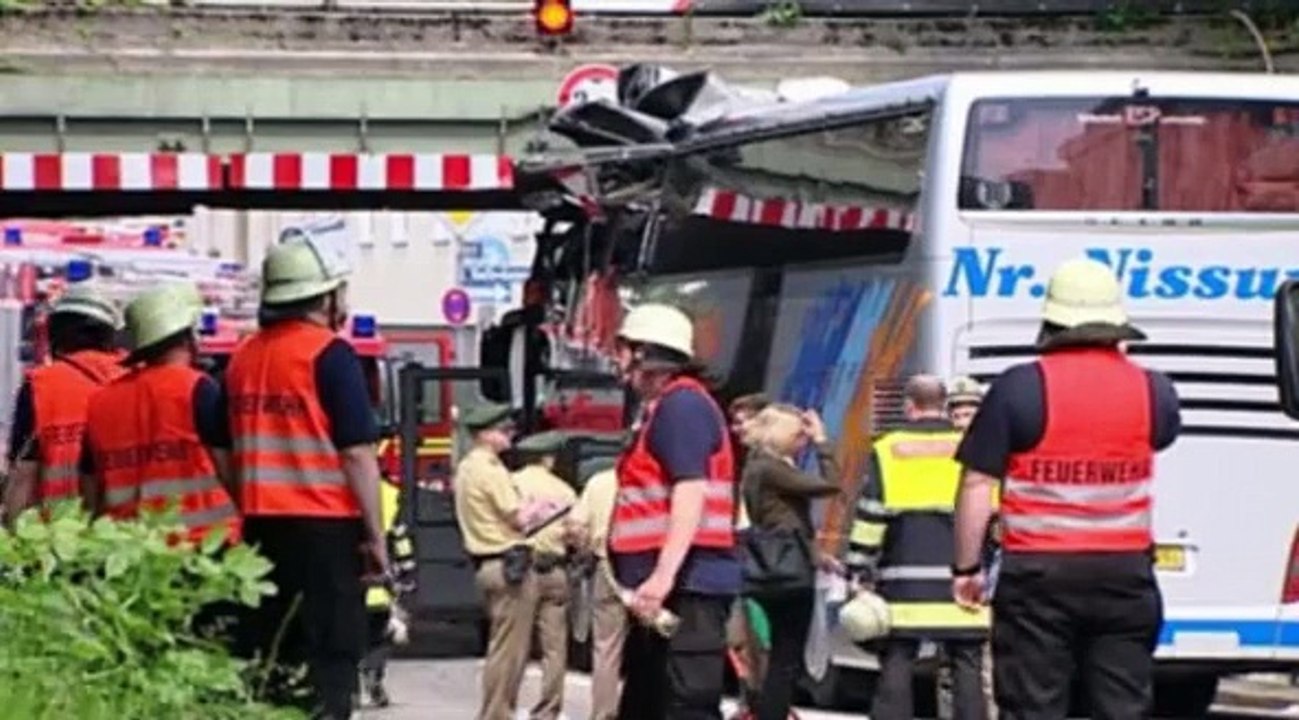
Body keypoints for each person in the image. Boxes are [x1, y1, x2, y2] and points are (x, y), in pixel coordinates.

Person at [951, 257, 1181, 720]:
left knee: (1034, 705)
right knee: (1122, 706)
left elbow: (977, 483)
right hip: (1125, 574)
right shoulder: (1153, 390)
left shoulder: (1021, 388)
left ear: (1051, 323)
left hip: (1039, 576)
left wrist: (967, 567)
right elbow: (1161, 436)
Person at [225, 234, 388, 720]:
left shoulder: (242, 359)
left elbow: (225, 452)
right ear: (324, 297)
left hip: (258, 533)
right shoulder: (329, 355)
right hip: (324, 536)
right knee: (329, 667)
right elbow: (357, 454)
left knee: (271, 664)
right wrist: (376, 536)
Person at [609, 302, 739, 720]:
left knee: (685, 701)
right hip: (671, 585)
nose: (617, 359)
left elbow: (690, 490)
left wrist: (662, 576)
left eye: (623, 348)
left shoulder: (681, 407)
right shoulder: (662, 409)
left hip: (687, 584)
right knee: (648, 701)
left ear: (646, 353)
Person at [845, 374, 988, 720]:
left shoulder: (889, 448)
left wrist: (858, 567)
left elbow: (871, 516)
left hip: (903, 581)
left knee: (898, 658)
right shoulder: (975, 446)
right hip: (963, 580)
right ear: (945, 405)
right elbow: (992, 510)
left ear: (909, 406)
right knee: (966, 663)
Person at [82, 282, 239, 545]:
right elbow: (228, 468)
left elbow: (90, 487)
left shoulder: (100, 401)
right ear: (189, 336)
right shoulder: (197, 389)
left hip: (127, 545)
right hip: (202, 544)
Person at [453, 402, 559, 720]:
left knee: (502, 646)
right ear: (486, 435)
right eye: (504, 430)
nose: (510, 434)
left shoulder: (467, 468)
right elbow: (517, 518)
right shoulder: (489, 469)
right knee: (510, 652)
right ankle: (497, 713)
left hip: (489, 564)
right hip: (507, 564)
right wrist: (543, 508)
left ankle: (495, 711)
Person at [741, 403, 840, 720]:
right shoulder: (773, 468)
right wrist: (823, 442)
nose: (804, 441)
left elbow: (790, 519)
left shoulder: (755, 466)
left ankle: (764, 709)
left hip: (766, 564)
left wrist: (818, 556)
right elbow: (829, 484)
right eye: (800, 435)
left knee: (772, 655)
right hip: (788, 570)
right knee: (786, 656)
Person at [5, 282, 125, 522]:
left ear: (55, 332)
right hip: (131, 536)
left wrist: (14, 546)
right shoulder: (137, 378)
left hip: (59, 538)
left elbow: (23, 478)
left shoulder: (41, 386)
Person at [512, 430, 579, 720]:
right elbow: (576, 533)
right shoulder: (565, 491)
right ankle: (549, 709)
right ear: (548, 459)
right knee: (554, 647)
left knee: (516, 642)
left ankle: (507, 704)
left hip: (522, 571)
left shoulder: (511, 485)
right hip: (556, 570)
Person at [725, 392, 771, 718]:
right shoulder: (753, 461)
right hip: (745, 559)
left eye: (742, 422)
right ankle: (752, 702)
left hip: (759, 564)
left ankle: (760, 705)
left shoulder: (768, 464)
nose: (736, 429)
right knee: (740, 641)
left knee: (757, 641)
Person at [567, 465, 625, 720]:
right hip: (652, 569)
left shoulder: (599, 481)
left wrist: (586, 547)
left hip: (607, 567)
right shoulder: (661, 477)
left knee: (607, 646)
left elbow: (576, 527)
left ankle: (603, 714)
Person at [359, 468, 418, 709]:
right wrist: (406, 573)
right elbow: (401, 539)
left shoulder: (344, 492)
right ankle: (374, 674)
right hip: (380, 587)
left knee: (350, 637)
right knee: (380, 638)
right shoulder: (391, 496)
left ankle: (350, 689)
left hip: (351, 585)